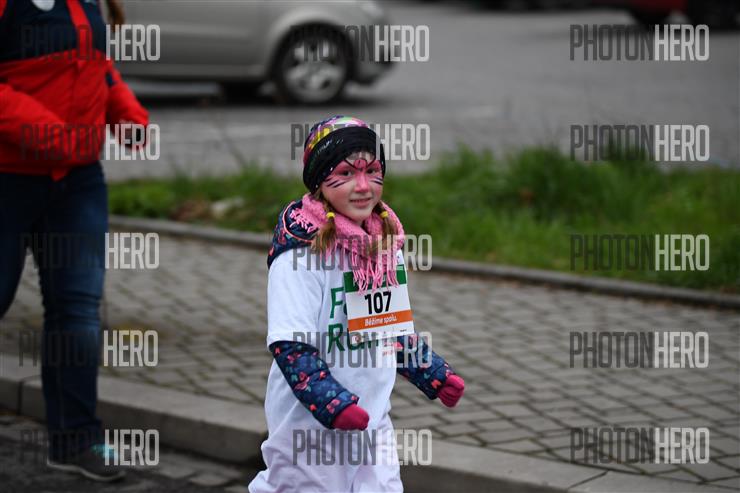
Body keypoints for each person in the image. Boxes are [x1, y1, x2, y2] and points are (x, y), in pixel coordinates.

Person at [249, 116, 466, 493]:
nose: (363, 186)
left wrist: (432, 372)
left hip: (373, 420)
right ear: (320, 179)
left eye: (373, 171)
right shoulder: (300, 257)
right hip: (309, 430)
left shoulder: (383, 247)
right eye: (346, 173)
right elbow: (291, 347)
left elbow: (389, 328)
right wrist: (332, 404)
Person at [0, 0, 148, 482]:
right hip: (8, 178)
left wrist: (123, 110)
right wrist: (49, 132)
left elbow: (95, 66)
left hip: (78, 181)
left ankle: (75, 441)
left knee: (77, 312)